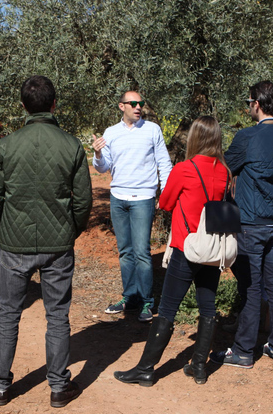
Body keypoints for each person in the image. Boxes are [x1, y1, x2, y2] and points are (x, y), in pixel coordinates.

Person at [0, 76, 92, 408]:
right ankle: (59, 386)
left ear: (23, 107)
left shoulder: (6, 145)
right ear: (54, 104)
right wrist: (70, 231)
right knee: (57, 315)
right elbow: (83, 201)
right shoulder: (71, 145)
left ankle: (0, 385)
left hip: (14, 244)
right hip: (58, 244)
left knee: (7, 313)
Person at [113, 116, 229, 387]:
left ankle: (145, 369)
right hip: (212, 249)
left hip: (186, 247)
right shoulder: (224, 170)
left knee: (167, 309)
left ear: (195, 138)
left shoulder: (184, 168)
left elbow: (165, 203)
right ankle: (199, 367)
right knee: (208, 307)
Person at [210, 81, 273, 369]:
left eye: (249, 102)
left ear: (257, 104)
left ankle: (245, 350)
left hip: (251, 221)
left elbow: (223, 169)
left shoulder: (248, 137)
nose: (248, 107)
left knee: (251, 286)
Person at [92, 91, 172, 322]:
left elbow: (164, 164)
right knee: (125, 252)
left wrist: (164, 193)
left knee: (142, 253)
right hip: (118, 198)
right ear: (121, 106)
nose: (138, 107)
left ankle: (147, 301)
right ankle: (130, 297)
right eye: (133, 103)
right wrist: (97, 153)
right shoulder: (111, 133)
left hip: (143, 198)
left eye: (141, 103)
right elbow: (102, 167)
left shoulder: (152, 130)